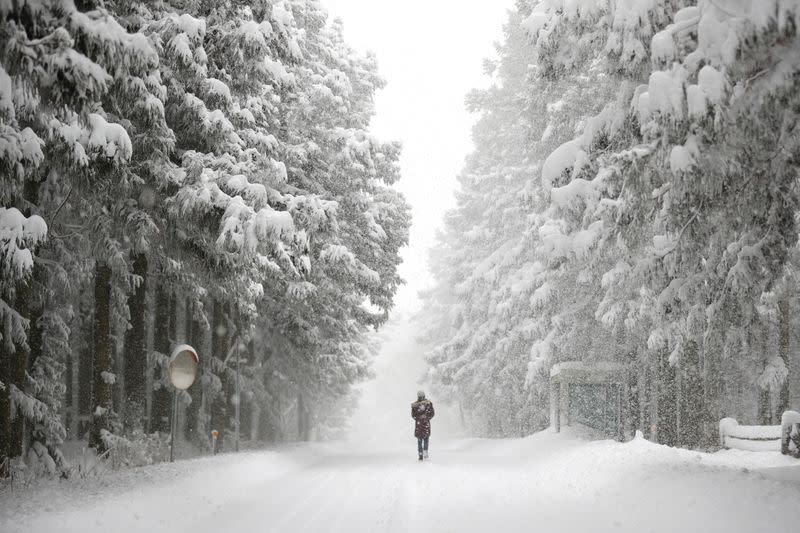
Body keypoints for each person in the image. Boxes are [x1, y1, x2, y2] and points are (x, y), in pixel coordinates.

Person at [411, 390, 435, 461]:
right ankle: (425, 453)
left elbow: (413, 415)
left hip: (419, 425)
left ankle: (420, 455)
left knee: (419, 440)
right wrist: (427, 418)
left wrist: (418, 419)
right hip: (426, 424)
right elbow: (432, 413)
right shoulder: (428, 403)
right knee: (426, 439)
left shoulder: (415, 405)